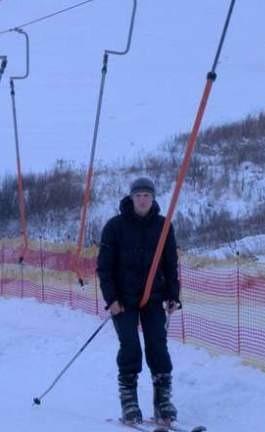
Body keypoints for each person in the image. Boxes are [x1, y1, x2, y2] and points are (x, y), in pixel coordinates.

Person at [97, 177, 181, 425]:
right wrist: (111, 298)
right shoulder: (115, 226)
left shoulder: (163, 226)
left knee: (157, 346)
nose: (143, 199)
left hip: (154, 298)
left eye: (147, 195)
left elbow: (170, 264)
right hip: (123, 301)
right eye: (138, 195)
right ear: (131, 198)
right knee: (130, 346)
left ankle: (162, 400)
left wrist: (173, 295)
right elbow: (104, 267)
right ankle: (129, 401)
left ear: (153, 199)